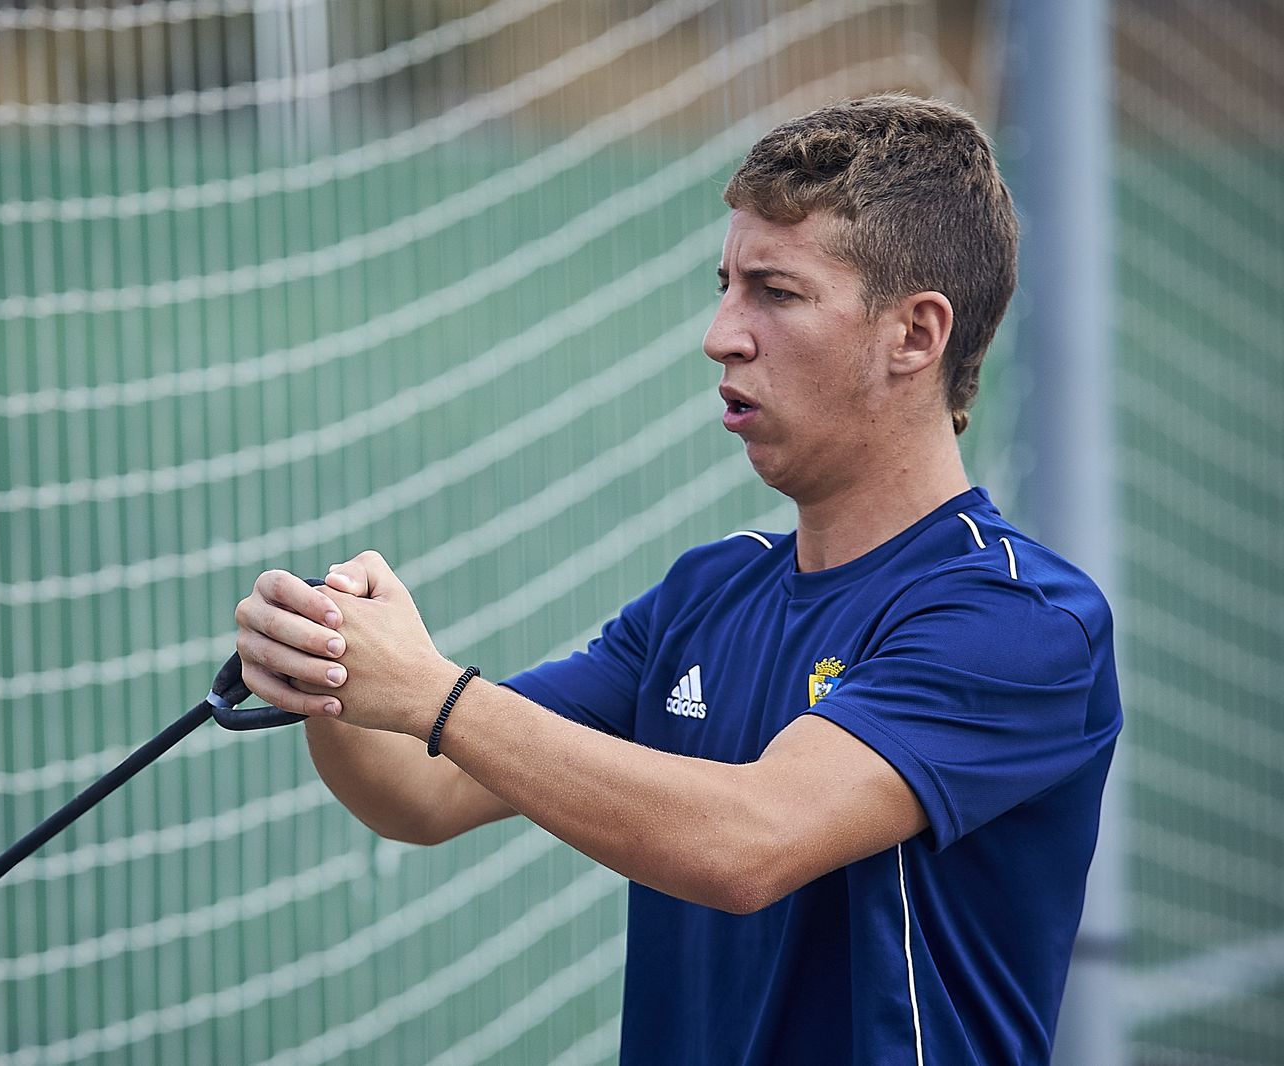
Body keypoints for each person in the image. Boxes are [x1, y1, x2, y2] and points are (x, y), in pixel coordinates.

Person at [234, 94, 1121, 1065]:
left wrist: (434, 693)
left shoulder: (1019, 617)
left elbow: (749, 843)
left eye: (775, 292)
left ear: (914, 334)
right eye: (725, 286)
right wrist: (325, 662)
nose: (721, 333)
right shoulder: (708, 593)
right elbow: (421, 793)